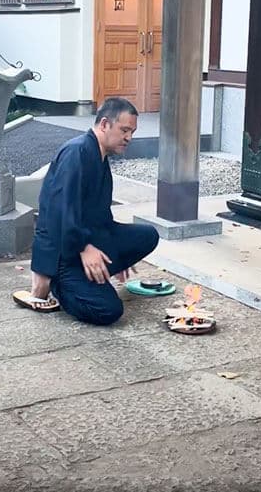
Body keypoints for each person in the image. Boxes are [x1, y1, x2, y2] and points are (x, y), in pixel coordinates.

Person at [13, 97, 159, 325]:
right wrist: (84, 247)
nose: (129, 138)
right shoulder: (77, 152)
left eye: (132, 131)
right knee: (108, 310)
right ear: (104, 124)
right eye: (124, 130)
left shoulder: (99, 155)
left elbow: (101, 216)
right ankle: (59, 287)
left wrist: (118, 254)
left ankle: (93, 275)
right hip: (64, 254)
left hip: (89, 237)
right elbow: (62, 211)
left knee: (148, 235)